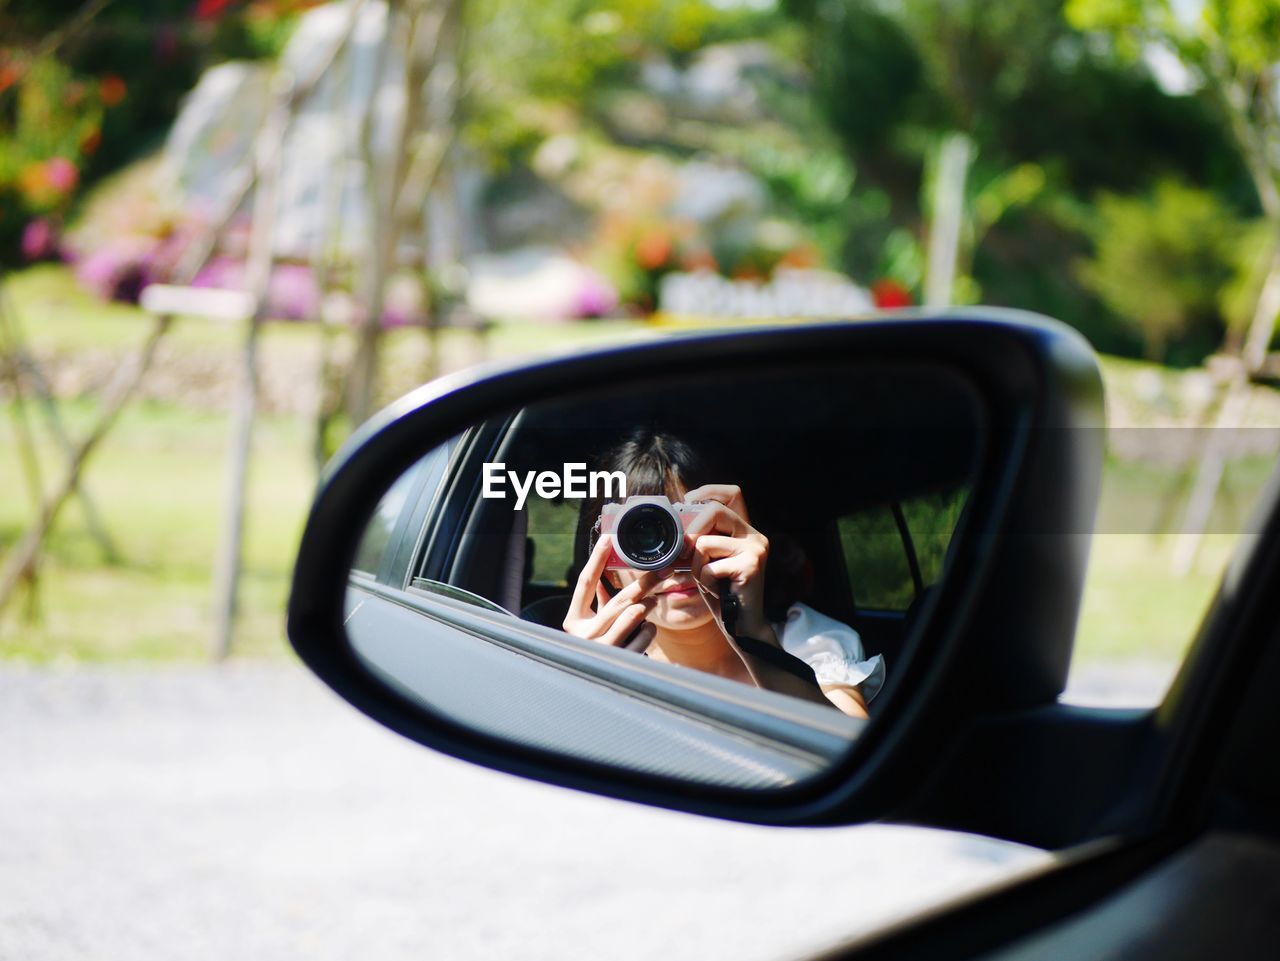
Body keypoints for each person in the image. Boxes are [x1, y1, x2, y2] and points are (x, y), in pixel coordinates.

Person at [562, 429, 883, 719]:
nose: (670, 557)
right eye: (641, 534)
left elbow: (851, 749)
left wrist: (752, 632)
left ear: (736, 534)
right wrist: (587, 677)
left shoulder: (809, 643)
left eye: (688, 526)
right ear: (610, 565)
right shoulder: (610, 659)